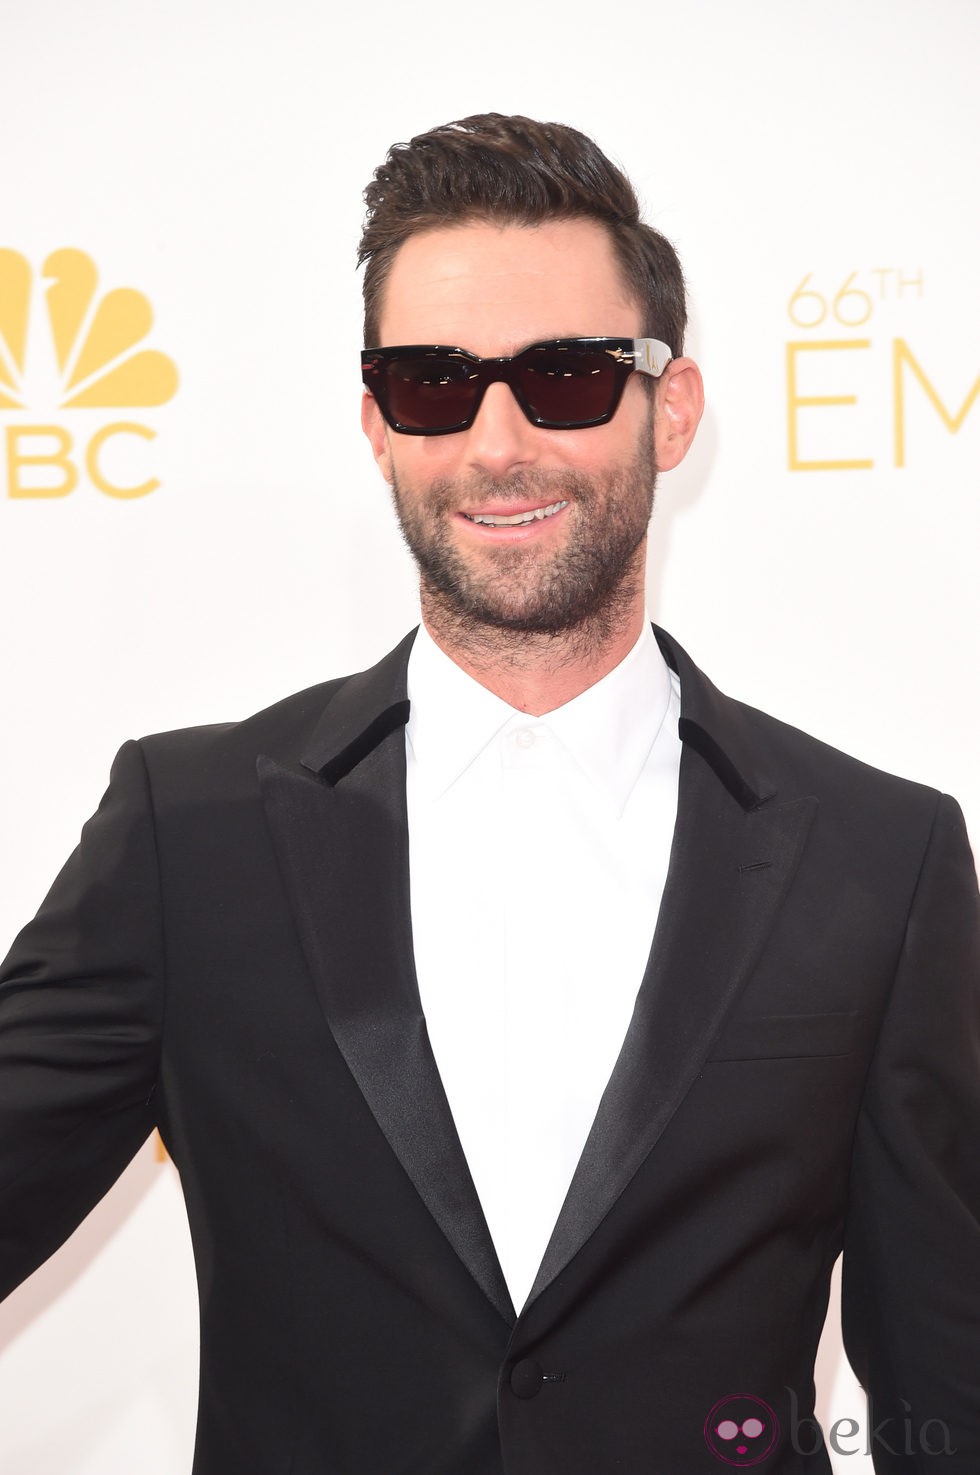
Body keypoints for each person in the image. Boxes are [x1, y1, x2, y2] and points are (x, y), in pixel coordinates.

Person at [1, 113, 978, 1475]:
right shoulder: (190, 832)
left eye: (569, 377)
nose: (498, 440)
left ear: (671, 408)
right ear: (376, 425)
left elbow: (950, 1371)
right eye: (433, 383)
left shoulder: (883, 857)